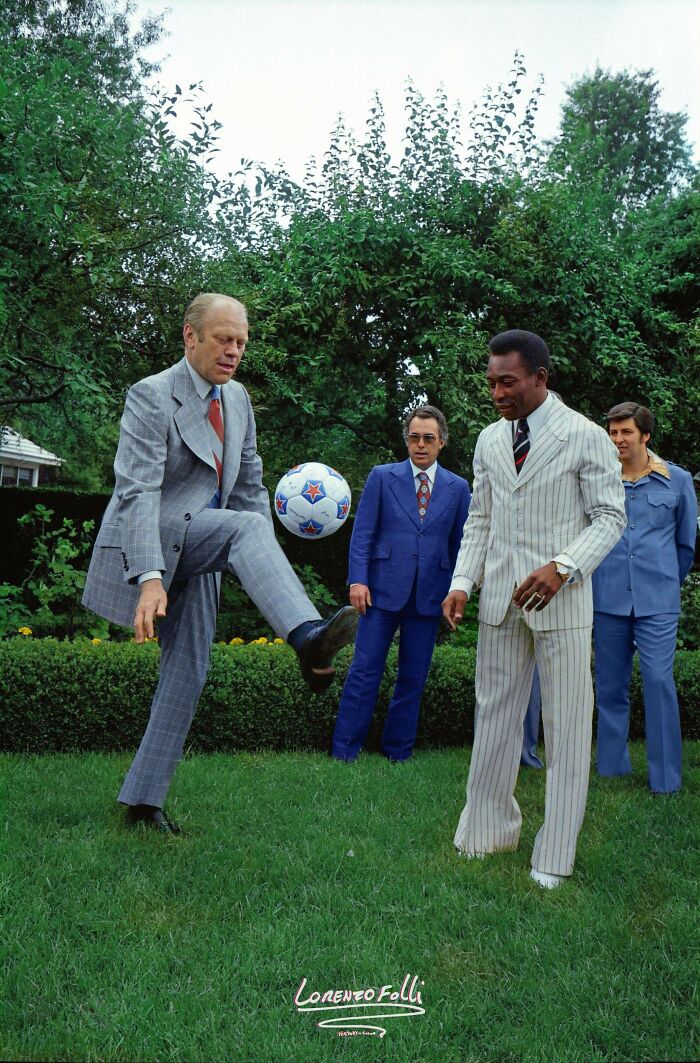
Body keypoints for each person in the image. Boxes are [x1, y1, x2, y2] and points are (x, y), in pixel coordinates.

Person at [83, 293, 358, 833]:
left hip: (206, 543)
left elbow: (251, 491)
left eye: (241, 342)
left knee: (190, 669)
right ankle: (308, 639)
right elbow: (137, 492)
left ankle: (143, 803)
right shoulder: (151, 395)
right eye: (223, 339)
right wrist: (150, 579)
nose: (233, 351)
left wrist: (261, 575)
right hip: (154, 544)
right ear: (190, 336)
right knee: (248, 527)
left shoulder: (238, 402)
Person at [442, 330, 626, 888]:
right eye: (492, 381)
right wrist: (462, 582)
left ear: (540, 378)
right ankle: (486, 833)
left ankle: (553, 857)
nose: (497, 391)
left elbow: (611, 518)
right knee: (493, 720)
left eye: (508, 381)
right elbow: (481, 519)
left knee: (566, 727)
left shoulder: (586, 436)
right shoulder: (489, 440)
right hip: (499, 601)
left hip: (563, 604)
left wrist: (563, 566)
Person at [331, 405, 471, 762]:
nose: (420, 445)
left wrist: (458, 589)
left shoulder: (458, 489)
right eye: (414, 437)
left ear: (442, 442)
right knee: (364, 670)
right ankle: (344, 750)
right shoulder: (382, 477)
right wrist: (358, 580)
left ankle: (398, 751)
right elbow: (362, 534)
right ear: (406, 440)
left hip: (430, 595)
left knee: (413, 676)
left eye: (428, 438)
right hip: (379, 591)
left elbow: (461, 546)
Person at [592, 402, 697, 794]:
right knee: (610, 686)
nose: (618, 439)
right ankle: (612, 769)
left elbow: (686, 545)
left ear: (645, 435)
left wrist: (666, 582)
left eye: (626, 432)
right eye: (613, 432)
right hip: (608, 599)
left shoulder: (678, 480)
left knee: (658, 681)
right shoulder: (599, 479)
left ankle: (666, 779)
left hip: (658, 602)